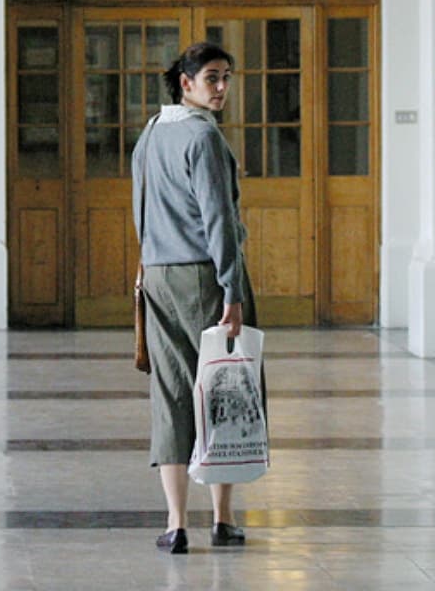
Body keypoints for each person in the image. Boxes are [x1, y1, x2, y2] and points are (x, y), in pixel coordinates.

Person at [131, 42, 257, 554]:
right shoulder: (203, 137)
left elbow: (140, 206)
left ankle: (176, 523)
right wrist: (232, 289)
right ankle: (222, 519)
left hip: (157, 275)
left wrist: (146, 262)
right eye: (212, 78)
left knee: (172, 394)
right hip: (204, 276)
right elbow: (218, 218)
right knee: (224, 390)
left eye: (227, 77)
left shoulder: (150, 133)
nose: (222, 87)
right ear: (186, 83)